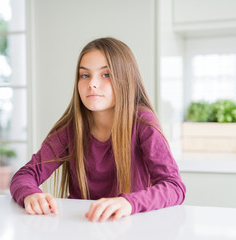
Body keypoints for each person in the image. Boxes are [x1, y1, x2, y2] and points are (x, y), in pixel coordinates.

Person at [10, 37, 186, 222]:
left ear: (126, 80)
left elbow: (174, 187)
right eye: (85, 75)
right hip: (79, 224)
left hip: (129, 226)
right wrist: (31, 194)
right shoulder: (72, 127)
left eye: (106, 74)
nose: (92, 83)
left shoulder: (143, 123)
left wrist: (128, 203)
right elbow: (25, 175)